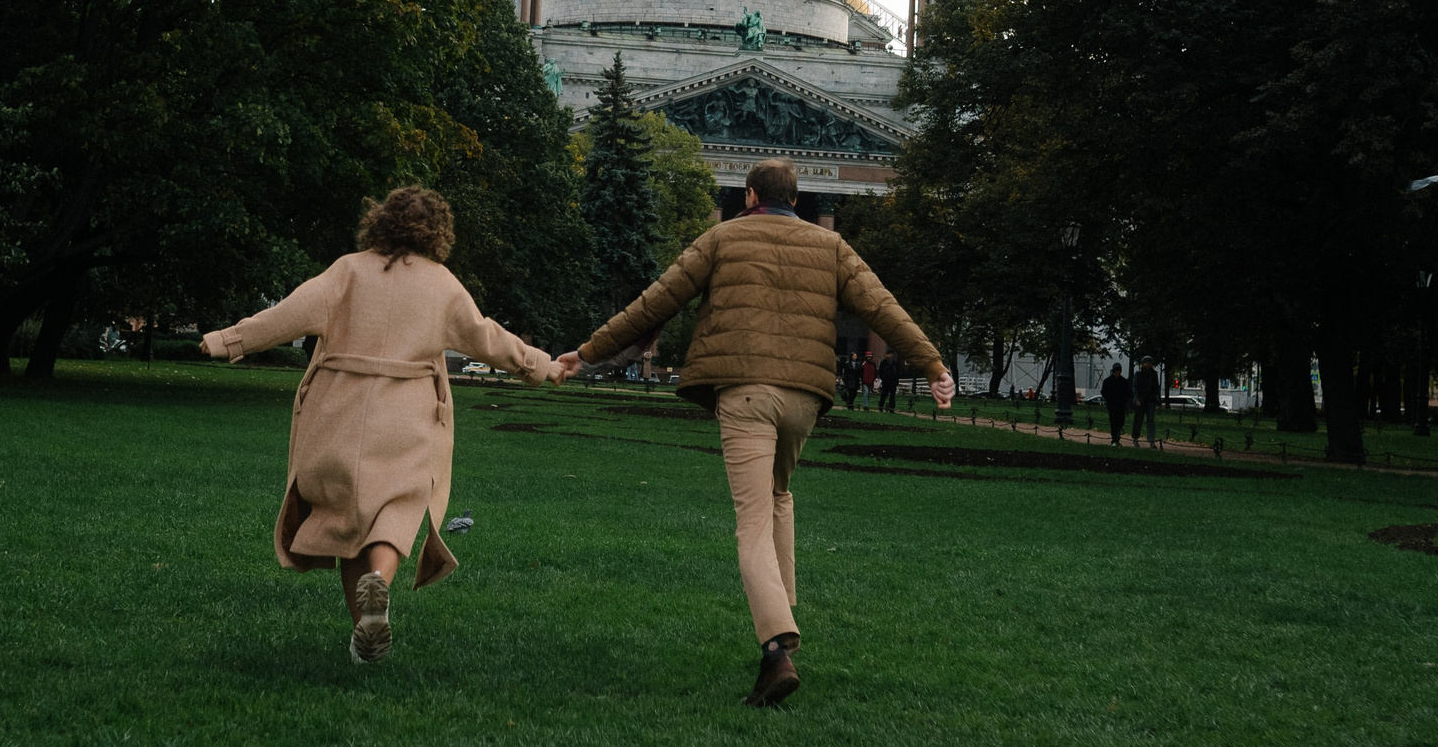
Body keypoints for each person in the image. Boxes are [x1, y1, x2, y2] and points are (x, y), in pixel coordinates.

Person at [554, 157, 952, 707]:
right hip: (805, 397)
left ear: (748, 197)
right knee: (779, 495)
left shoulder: (721, 239)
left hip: (743, 390)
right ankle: (783, 611)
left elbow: (657, 301)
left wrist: (590, 352)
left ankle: (775, 648)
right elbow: (882, 308)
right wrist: (933, 366)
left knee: (751, 520)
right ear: (797, 198)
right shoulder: (831, 247)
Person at [203, 186, 555, 665]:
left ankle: (364, 630)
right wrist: (541, 366)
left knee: (347, 523)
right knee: (399, 507)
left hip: (338, 410)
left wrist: (227, 340)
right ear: (438, 233)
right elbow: (487, 338)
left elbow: (286, 314)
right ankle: (380, 586)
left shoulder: (345, 272)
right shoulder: (442, 284)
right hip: (407, 414)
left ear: (379, 221)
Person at [1131, 358, 1162, 447]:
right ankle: (1135, 438)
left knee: (1151, 420)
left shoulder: (1154, 375)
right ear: (1142, 364)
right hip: (1141, 400)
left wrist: (1158, 400)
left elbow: (1156, 388)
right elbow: (1135, 387)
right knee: (1138, 420)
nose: (1147, 365)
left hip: (1150, 400)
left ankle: (1151, 440)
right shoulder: (1138, 374)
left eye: (1149, 363)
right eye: (1145, 363)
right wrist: (1136, 399)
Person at [1100, 362, 1131, 445]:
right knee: (1113, 422)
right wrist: (1109, 399)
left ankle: (1117, 435)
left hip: (1121, 405)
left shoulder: (1123, 381)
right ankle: (1115, 437)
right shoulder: (1108, 381)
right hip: (1112, 405)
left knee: (1120, 421)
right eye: (1116, 372)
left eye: (1118, 373)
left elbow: (1128, 393)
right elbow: (1104, 392)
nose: (1117, 374)